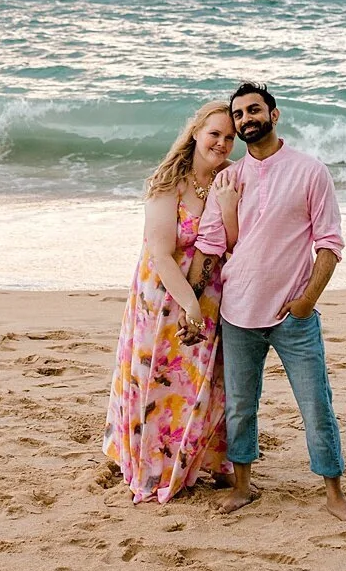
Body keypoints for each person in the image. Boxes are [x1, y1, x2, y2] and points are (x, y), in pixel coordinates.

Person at [194, 82, 346, 522]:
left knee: (315, 404)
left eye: (254, 110)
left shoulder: (310, 172)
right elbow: (210, 246)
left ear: (274, 114)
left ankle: (334, 493)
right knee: (240, 406)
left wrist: (307, 301)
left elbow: (329, 243)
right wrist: (187, 300)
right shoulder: (229, 179)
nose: (246, 119)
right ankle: (244, 488)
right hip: (238, 312)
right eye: (239, 114)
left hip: (294, 315)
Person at [102, 101, 242, 504]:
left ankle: (202, 460)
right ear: (196, 131)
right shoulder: (169, 182)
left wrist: (230, 208)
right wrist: (189, 305)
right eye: (215, 133)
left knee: (203, 380)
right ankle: (154, 465)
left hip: (211, 292)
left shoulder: (230, 179)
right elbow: (161, 254)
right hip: (162, 295)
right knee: (159, 377)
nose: (221, 143)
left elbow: (233, 245)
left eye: (229, 137)